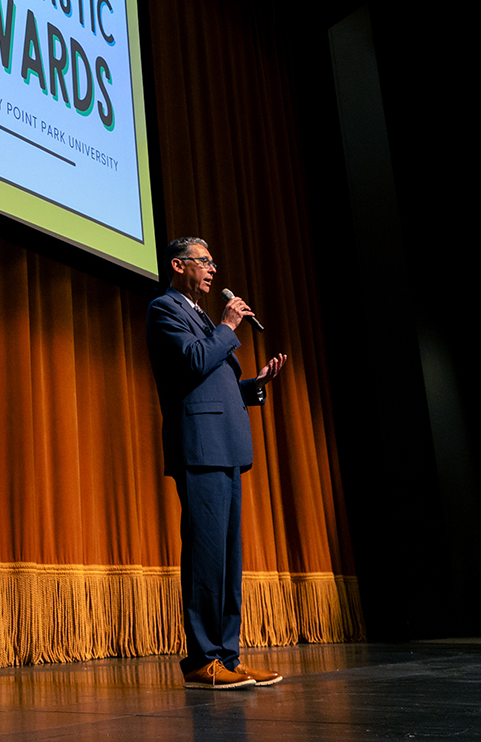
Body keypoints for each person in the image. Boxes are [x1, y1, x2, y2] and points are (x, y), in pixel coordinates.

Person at [146, 236, 287, 689]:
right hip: (200, 447)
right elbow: (190, 363)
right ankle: (202, 660)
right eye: (204, 261)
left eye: (212, 261)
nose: (212, 269)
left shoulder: (203, 316)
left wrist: (255, 384)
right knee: (206, 557)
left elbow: (216, 381)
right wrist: (227, 328)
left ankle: (227, 657)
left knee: (228, 558)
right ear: (178, 264)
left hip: (226, 446)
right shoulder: (164, 308)